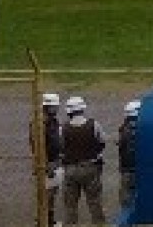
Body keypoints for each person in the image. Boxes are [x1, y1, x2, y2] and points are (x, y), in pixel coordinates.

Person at [60, 95, 106, 225]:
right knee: (95, 202)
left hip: (70, 169)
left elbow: (60, 147)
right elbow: (102, 142)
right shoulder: (94, 124)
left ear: (69, 111)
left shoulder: (63, 128)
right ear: (82, 109)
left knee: (70, 205)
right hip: (90, 167)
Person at [37, 93, 63, 226]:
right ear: (49, 107)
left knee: (52, 195)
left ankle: (49, 221)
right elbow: (38, 147)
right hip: (48, 164)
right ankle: (43, 221)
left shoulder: (53, 121)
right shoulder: (40, 123)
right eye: (55, 106)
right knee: (46, 195)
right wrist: (46, 165)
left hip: (55, 162)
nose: (57, 108)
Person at [118, 100, 140, 212]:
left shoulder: (123, 130)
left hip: (126, 169)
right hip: (142, 169)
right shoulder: (146, 128)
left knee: (126, 201)